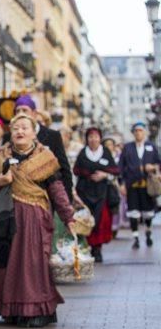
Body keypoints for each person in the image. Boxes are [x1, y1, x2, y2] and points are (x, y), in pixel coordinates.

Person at [0, 113, 75, 327]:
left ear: (34, 132)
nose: (20, 132)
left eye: (25, 127)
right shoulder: (1, 156)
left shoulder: (46, 157)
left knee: (32, 265)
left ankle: (35, 311)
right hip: (4, 219)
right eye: (16, 128)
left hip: (34, 219)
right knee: (5, 266)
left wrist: (68, 217)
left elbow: (57, 190)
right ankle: (11, 310)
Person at [73, 127, 120, 262]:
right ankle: (87, 247)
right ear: (87, 139)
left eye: (96, 137)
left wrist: (104, 175)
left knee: (100, 221)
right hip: (85, 192)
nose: (93, 139)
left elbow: (115, 170)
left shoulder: (105, 152)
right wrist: (87, 174)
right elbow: (76, 170)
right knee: (85, 220)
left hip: (101, 193)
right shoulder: (83, 153)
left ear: (100, 138)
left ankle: (97, 249)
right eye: (90, 137)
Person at [14, 95, 72, 200]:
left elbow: (64, 169)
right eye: (17, 111)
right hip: (17, 198)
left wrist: (67, 199)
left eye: (24, 110)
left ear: (34, 114)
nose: (21, 114)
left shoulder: (52, 136)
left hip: (46, 197)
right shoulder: (10, 137)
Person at [119, 122, 161, 249]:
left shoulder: (151, 147)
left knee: (148, 212)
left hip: (147, 186)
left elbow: (158, 163)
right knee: (133, 212)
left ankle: (148, 232)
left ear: (145, 132)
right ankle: (136, 238)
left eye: (141, 130)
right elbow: (121, 167)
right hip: (132, 185)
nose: (138, 133)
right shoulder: (128, 148)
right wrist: (121, 184)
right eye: (136, 131)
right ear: (133, 133)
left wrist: (152, 167)